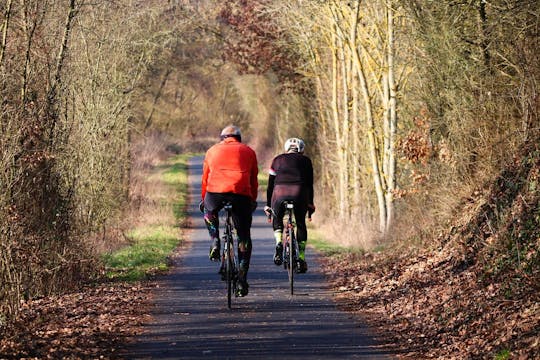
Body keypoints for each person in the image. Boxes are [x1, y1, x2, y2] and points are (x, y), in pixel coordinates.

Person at [200, 125, 258, 297]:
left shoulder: (212, 151)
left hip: (215, 193)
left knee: (209, 212)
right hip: (240, 195)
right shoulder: (249, 151)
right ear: (239, 138)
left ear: (222, 138)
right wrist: (252, 200)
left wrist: (205, 200)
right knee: (243, 236)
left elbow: (205, 178)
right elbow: (253, 180)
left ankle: (215, 240)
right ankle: (241, 280)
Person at [264, 138, 315, 273]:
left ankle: (279, 242)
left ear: (286, 149)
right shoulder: (306, 161)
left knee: (278, 217)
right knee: (300, 223)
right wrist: (310, 204)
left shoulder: (277, 160)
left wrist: (268, 205)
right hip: (299, 193)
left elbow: (270, 186)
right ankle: (302, 258)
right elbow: (310, 185)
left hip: (280, 193)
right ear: (301, 150)